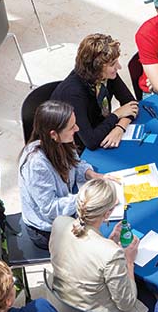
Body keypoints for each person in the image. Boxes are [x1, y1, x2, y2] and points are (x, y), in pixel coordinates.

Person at [49, 178, 154, 312]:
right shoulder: (110, 253)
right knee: (155, 301)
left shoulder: (60, 222)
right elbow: (126, 303)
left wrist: (108, 241)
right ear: (107, 214)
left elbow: (82, 251)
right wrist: (129, 261)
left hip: (65, 309)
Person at [18, 100, 106, 250]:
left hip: (66, 211)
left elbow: (75, 163)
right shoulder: (36, 165)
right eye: (72, 127)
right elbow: (51, 210)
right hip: (46, 230)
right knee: (98, 241)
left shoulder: (63, 141)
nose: (77, 129)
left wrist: (92, 174)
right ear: (53, 134)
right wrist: (86, 196)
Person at [52, 33, 138, 151]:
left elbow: (131, 104)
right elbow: (90, 141)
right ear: (96, 69)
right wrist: (117, 114)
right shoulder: (73, 93)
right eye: (112, 64)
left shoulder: (106, 75)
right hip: (74, 146)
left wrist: (120, 127)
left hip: (101, 130)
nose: (119, 67)